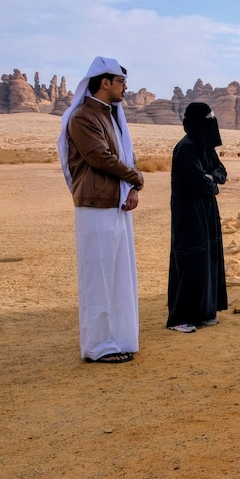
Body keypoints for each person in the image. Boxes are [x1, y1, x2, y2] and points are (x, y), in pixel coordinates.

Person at [56, 56, 144, 363]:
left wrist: (131, 187)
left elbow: (123, 155)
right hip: (95, 204)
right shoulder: (83, 116)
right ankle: (98, 346)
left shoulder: (110, 115)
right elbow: (100, 157)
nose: (125, 87)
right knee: (99, 276)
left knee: (118, 275)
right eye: (121, 81)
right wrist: (136, 178)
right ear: (104, 82)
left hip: (115, 203)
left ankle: (118, 339)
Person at [166, 102, 228, 333]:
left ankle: (204, 311)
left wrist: (211, 178)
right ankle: (180, 317)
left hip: (207, 209)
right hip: (188, 211)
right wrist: (210, 181)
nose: (212, 124)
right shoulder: (186, 148)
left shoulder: (205, 148)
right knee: (191, 258)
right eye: (208, 119)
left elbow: (221, 172)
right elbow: (197, 182)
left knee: (208, 257)